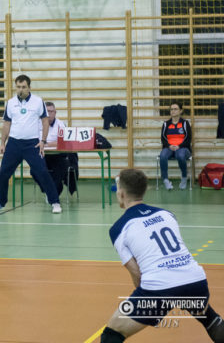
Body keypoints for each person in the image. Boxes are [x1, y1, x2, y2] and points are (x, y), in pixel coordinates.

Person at [100, 168, 224, 342]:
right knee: (210, 319)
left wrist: (148, 303)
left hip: (159, 287)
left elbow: (137, 274)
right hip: (196, 280)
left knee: (112, 333)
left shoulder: (119, 229)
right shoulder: (166, 214)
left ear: (121, 193)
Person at [0, 74, 62, 214]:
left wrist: (43, 141)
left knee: (42, 172)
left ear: (29, 87)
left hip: (32, 144)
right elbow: (6, 124)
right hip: (14, 144)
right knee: (3, 173)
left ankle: (55, 202)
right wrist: (2, 143)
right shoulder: (10, 103)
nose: (20, 90)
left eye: (23, 87)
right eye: (18, 87)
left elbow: (45, 122)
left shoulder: (38, 101)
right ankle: (0, 202)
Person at [30, 102, 78, 197]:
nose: (49, 114)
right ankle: (48, 190)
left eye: (51, 111)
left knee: (60, 171)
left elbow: (63, 142)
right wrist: (47, 143)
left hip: (58, 156)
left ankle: (54, 192)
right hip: (42, 156)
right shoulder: (36, 124)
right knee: (33, 171)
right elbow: (34, 141)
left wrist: (45, 143)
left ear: (55, 113)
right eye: (47, 111)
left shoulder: (61, 124)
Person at [159, 101, 192, 190]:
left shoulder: (185, 123)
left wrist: (179, 146)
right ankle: (165, 180)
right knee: (162, 156)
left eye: (175, 109)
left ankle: (184, 177)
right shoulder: (166, 124)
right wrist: (169, 146)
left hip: (183, 148)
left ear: (180, 111)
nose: (173, 111)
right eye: (171, 109)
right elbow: (163, 138)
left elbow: (188, 138)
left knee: (180, 155)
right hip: (169, 147)